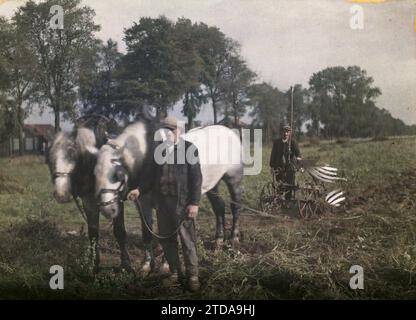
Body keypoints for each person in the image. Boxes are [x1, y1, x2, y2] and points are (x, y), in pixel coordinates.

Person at [127, 116, 202, 292]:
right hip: (162, 204)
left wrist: (194, 203)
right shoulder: (159, 151)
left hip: (182, 204)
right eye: (166, 130)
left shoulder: (189, 149)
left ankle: (192, 275)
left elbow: (196, 179)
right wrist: (139, 190)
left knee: (188, 241)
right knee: (167, 240)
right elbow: (150, 177)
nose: (169, 133)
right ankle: (175, 273)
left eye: (172, 130)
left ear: (179, 131)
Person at [269, 125, 302, 200]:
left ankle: (288, 200)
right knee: (279, 184)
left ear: (290, 133)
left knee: (289, 185)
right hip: (279, 167)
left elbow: (298, 154)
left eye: (287, 132)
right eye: (284, 131)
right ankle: (279, 200)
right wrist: (272, 166)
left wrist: (298, 163)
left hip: (290, 167)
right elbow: (273, 155)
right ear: (281, 132)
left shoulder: (293, 142)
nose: (285, 133)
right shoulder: (277, 142)